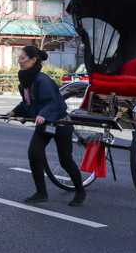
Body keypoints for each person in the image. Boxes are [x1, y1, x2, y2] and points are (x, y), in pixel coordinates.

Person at [7, 45, 85, 206]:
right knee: (34, 154)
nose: (19, 62)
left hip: (60, 123)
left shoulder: (43, 80)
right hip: (44, 125)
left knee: (65, 160)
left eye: (22, 58)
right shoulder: (25, 83)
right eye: (19, 58)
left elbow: (53, 102)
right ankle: (41, 192)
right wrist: (14, 112)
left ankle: (80, 191)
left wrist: (43, 114)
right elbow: (27, 103)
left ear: (33, 60)